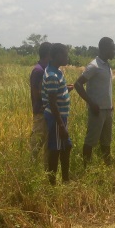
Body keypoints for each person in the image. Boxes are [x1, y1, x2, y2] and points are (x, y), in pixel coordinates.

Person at [74, 36, 114, 165]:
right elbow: (78, 84)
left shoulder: (107, 66)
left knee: (106, 142)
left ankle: (107, 167)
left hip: (108, 110)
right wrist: (91, 103)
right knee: (91, 141)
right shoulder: (94, 66)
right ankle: (86, 169)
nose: (114, 52)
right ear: (105, 49)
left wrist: (111, 105)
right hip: (97, 111)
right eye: (112, 49)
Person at [42, 42, 73, 184]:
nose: (67, 57)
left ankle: (66, 179)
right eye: (65, 55)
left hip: (60, 117)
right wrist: (60, 125)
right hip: (56, 118)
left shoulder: (57, 71)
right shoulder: (52, 75)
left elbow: (55, 94)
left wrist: (65, 89)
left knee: (66, 146)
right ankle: (52, 183)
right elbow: (52, 102)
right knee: (55, 150)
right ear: (56, 56)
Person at [29, 41, 51, 161]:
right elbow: (37, 93)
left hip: (46, 111)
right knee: (36, 143)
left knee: (47, 143)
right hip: (41, 112)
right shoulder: (39, 71)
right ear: (48, 54)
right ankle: (31, 168)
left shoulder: (44, 69)